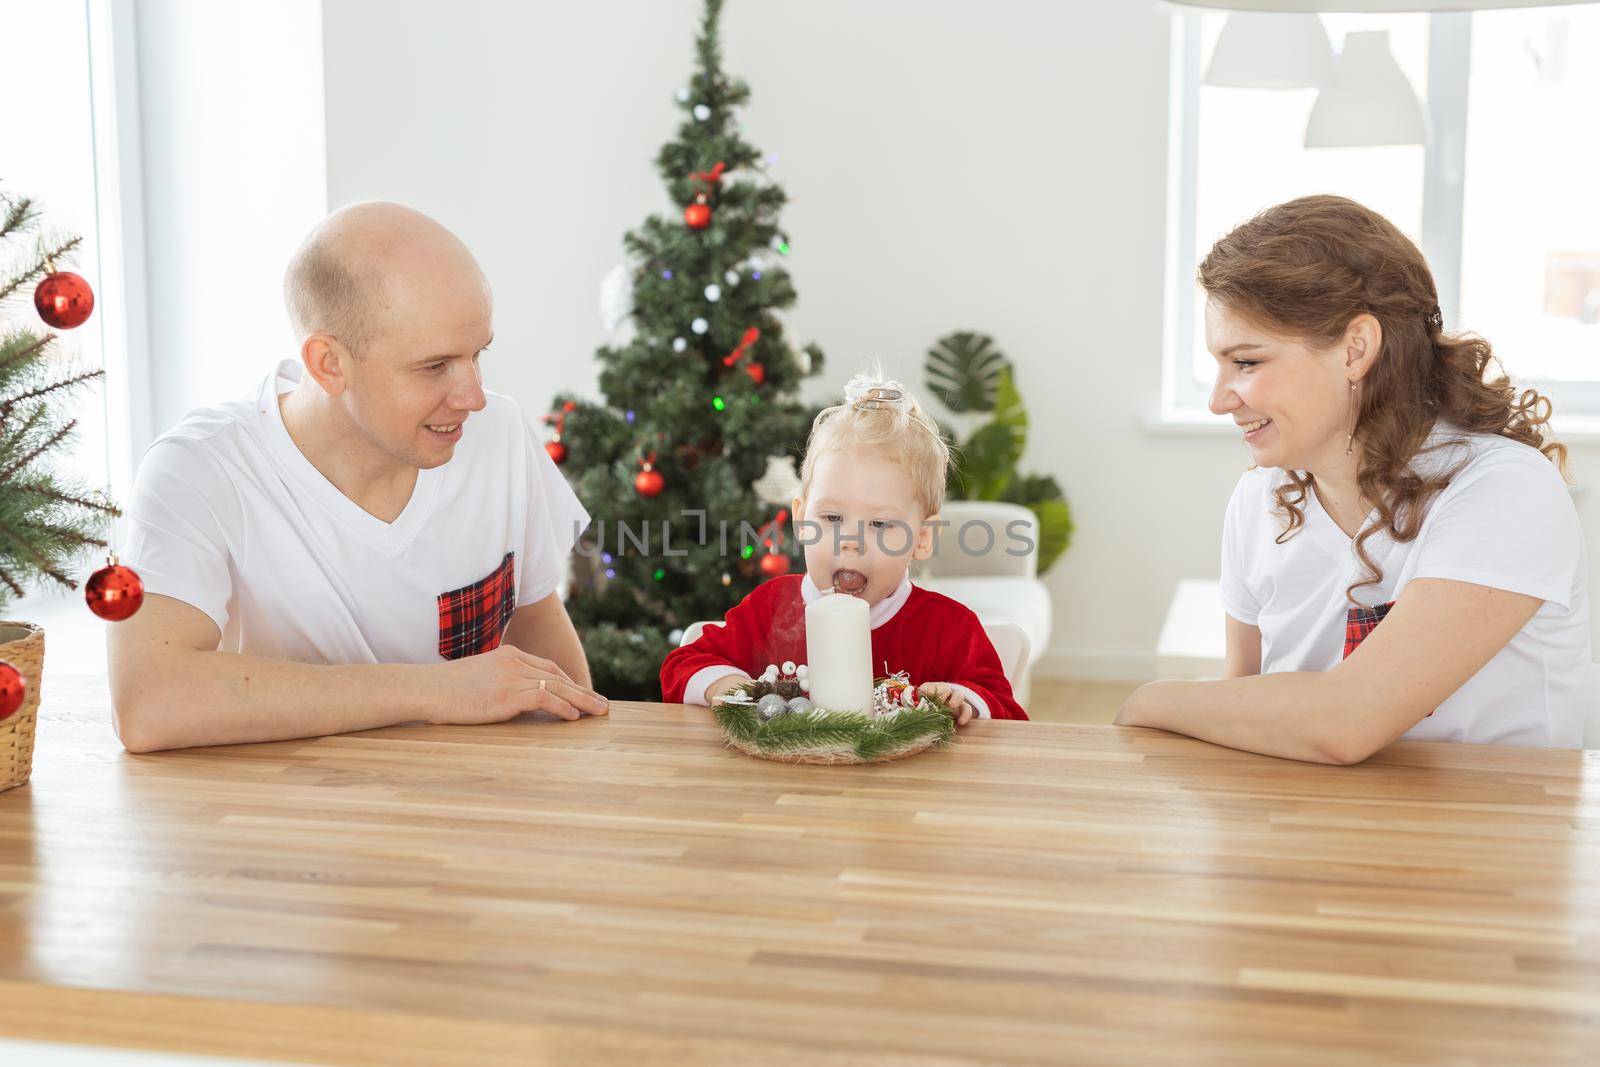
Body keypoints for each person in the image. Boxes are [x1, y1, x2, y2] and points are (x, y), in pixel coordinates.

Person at [110, 202, 607, 752]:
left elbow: (534, 620)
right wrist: (436, 693)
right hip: (279, 818)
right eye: (434, 366)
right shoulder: (200, 469)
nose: (472, 396)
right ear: (328, 364)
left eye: (477, 354)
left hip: (474, 809)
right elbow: (149, 702)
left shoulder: (500, 433)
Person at [1116, 195, 1588, 762]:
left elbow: (1347, 721)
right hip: (1307, 827)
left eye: (1246, 363)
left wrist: (1148, 703)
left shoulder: (1505, 489)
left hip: (1487, 836)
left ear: (1355, 349)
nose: (1220, 400)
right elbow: (1239, 712)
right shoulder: (1258, 501)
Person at [660, 372, 1028, 722]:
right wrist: (728, 686)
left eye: (879, 524)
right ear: (802, 520)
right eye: (832, 518)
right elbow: (682, 665)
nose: (848, 541)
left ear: (922, 538)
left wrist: (960, 700)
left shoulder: (948, 629)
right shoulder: (770, 609)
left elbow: (1006, 713)